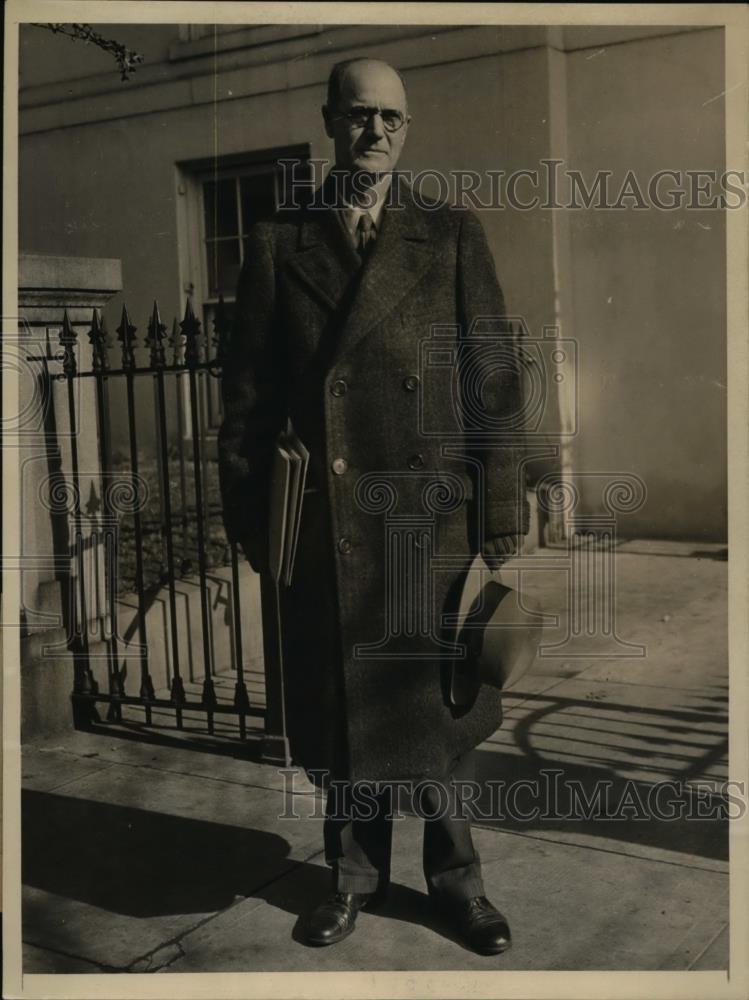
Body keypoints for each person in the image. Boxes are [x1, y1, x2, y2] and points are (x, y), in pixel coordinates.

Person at [218, 57, 529, 954]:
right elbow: (246, 400)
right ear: (328, 122)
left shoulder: (451, 232)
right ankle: (352, 879)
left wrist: (499, 508)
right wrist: (252, 519)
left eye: (392, 118)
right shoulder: (280, 241)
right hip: (329, 528)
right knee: (343, 708)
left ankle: (457, 885)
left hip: (426, 519)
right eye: (359, 116)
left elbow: (493, 381)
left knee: (437, 711)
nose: (376, 133)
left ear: (407, 127)